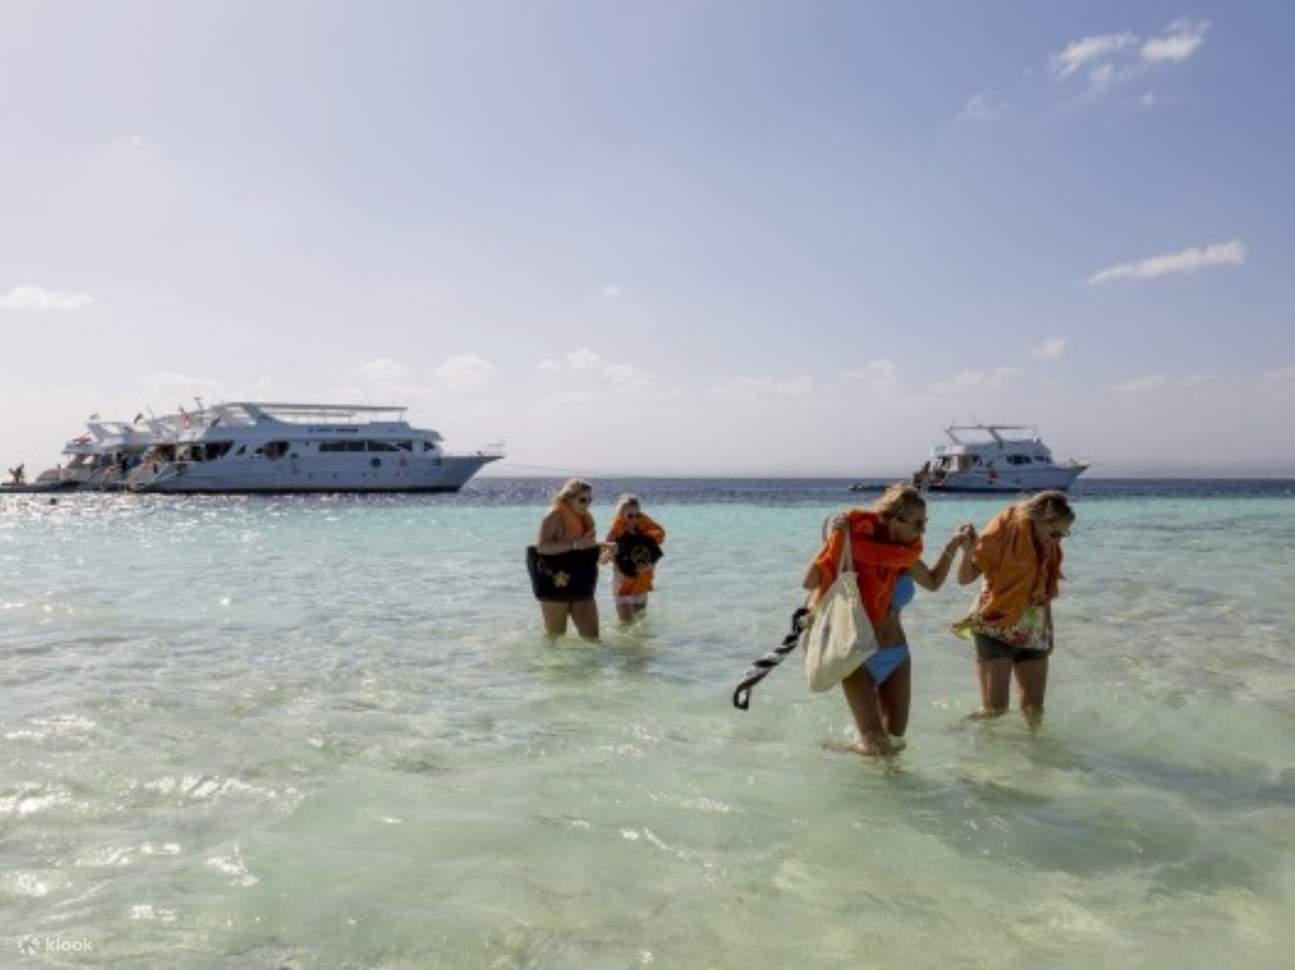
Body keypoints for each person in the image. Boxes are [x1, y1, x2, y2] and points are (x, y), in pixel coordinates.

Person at [802, 484, 975, 756]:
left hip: (897, 655)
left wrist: (953, 546)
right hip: (857, 655)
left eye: (925, 523)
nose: (923, 530)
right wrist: (835, 541)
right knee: (877, 745)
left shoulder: (903, 557)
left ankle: (867, 771)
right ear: (895, 521)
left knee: (895, 742)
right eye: (918, 524)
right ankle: (849, 753)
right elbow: (809, 581)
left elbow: (932, 582)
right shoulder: (854, 549)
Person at [955, 490, 1075, 725]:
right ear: (1039, 520)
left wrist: (1049, 631)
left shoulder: (1049, 545)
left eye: (1064, 534)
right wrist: (968, 550)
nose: (1058, 540)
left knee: (1034, 710)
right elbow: (965, 578)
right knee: (995, 711)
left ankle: (1035, 758)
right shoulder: (1004, 531)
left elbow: (1044, 592)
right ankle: (958, 734)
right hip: (994, 625)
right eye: (1054, 532)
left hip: (1032, 629)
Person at [531, 479, 610, 639]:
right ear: (568, 498)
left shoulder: (584, 518)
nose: (587, 504)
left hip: (582, 581)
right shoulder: (554, 515)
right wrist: (574, 544)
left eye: (590, 500)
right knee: (556, 638)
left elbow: (584, 548)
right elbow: (541, 547)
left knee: (592, 637)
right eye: (582, 500)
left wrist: (607, 550)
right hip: (555, 582)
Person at [604, 494, 666, 623]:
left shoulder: (643, 531)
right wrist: (608, 555)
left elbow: (652, 554)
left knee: (640, 623)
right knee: (626, 625)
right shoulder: (614, 532)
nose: (634, 519)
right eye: (630, 516)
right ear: (621, 515)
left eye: (638, 515)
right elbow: (604, 558)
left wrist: (650, 566)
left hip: (640, 581)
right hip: (622, 582)